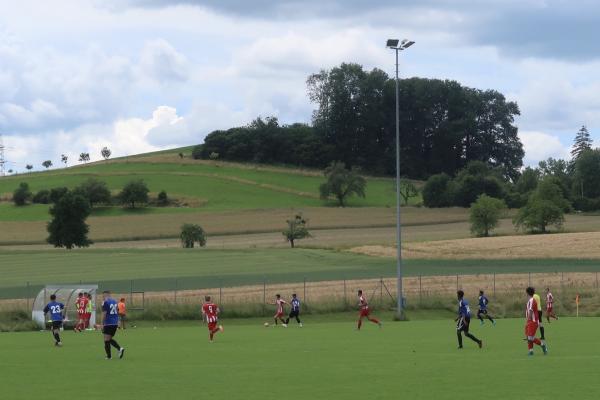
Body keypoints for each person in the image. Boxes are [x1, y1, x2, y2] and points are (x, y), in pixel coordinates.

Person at [101, 291, 125, 360]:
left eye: (103, 296)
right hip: (115, 323)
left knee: (106, 340)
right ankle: (119, 349)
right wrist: (118, 321)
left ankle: (109, 356)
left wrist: (102, 324)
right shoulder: (115, 301)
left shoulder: (105, 302)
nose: (102, 297)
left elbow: (104, 314)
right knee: (109, 339)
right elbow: (117, 312)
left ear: (105, 295)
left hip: (108, 323)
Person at [525, 287, 548, 356]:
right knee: (528, 337)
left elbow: (531, 311)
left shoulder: (532, 300)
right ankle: (531, 351)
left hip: (533, 321)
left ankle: (542, 345)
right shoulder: (530, 300)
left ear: (527, 293)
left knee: (530, 337)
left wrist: (529, 319)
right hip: (530, 321)